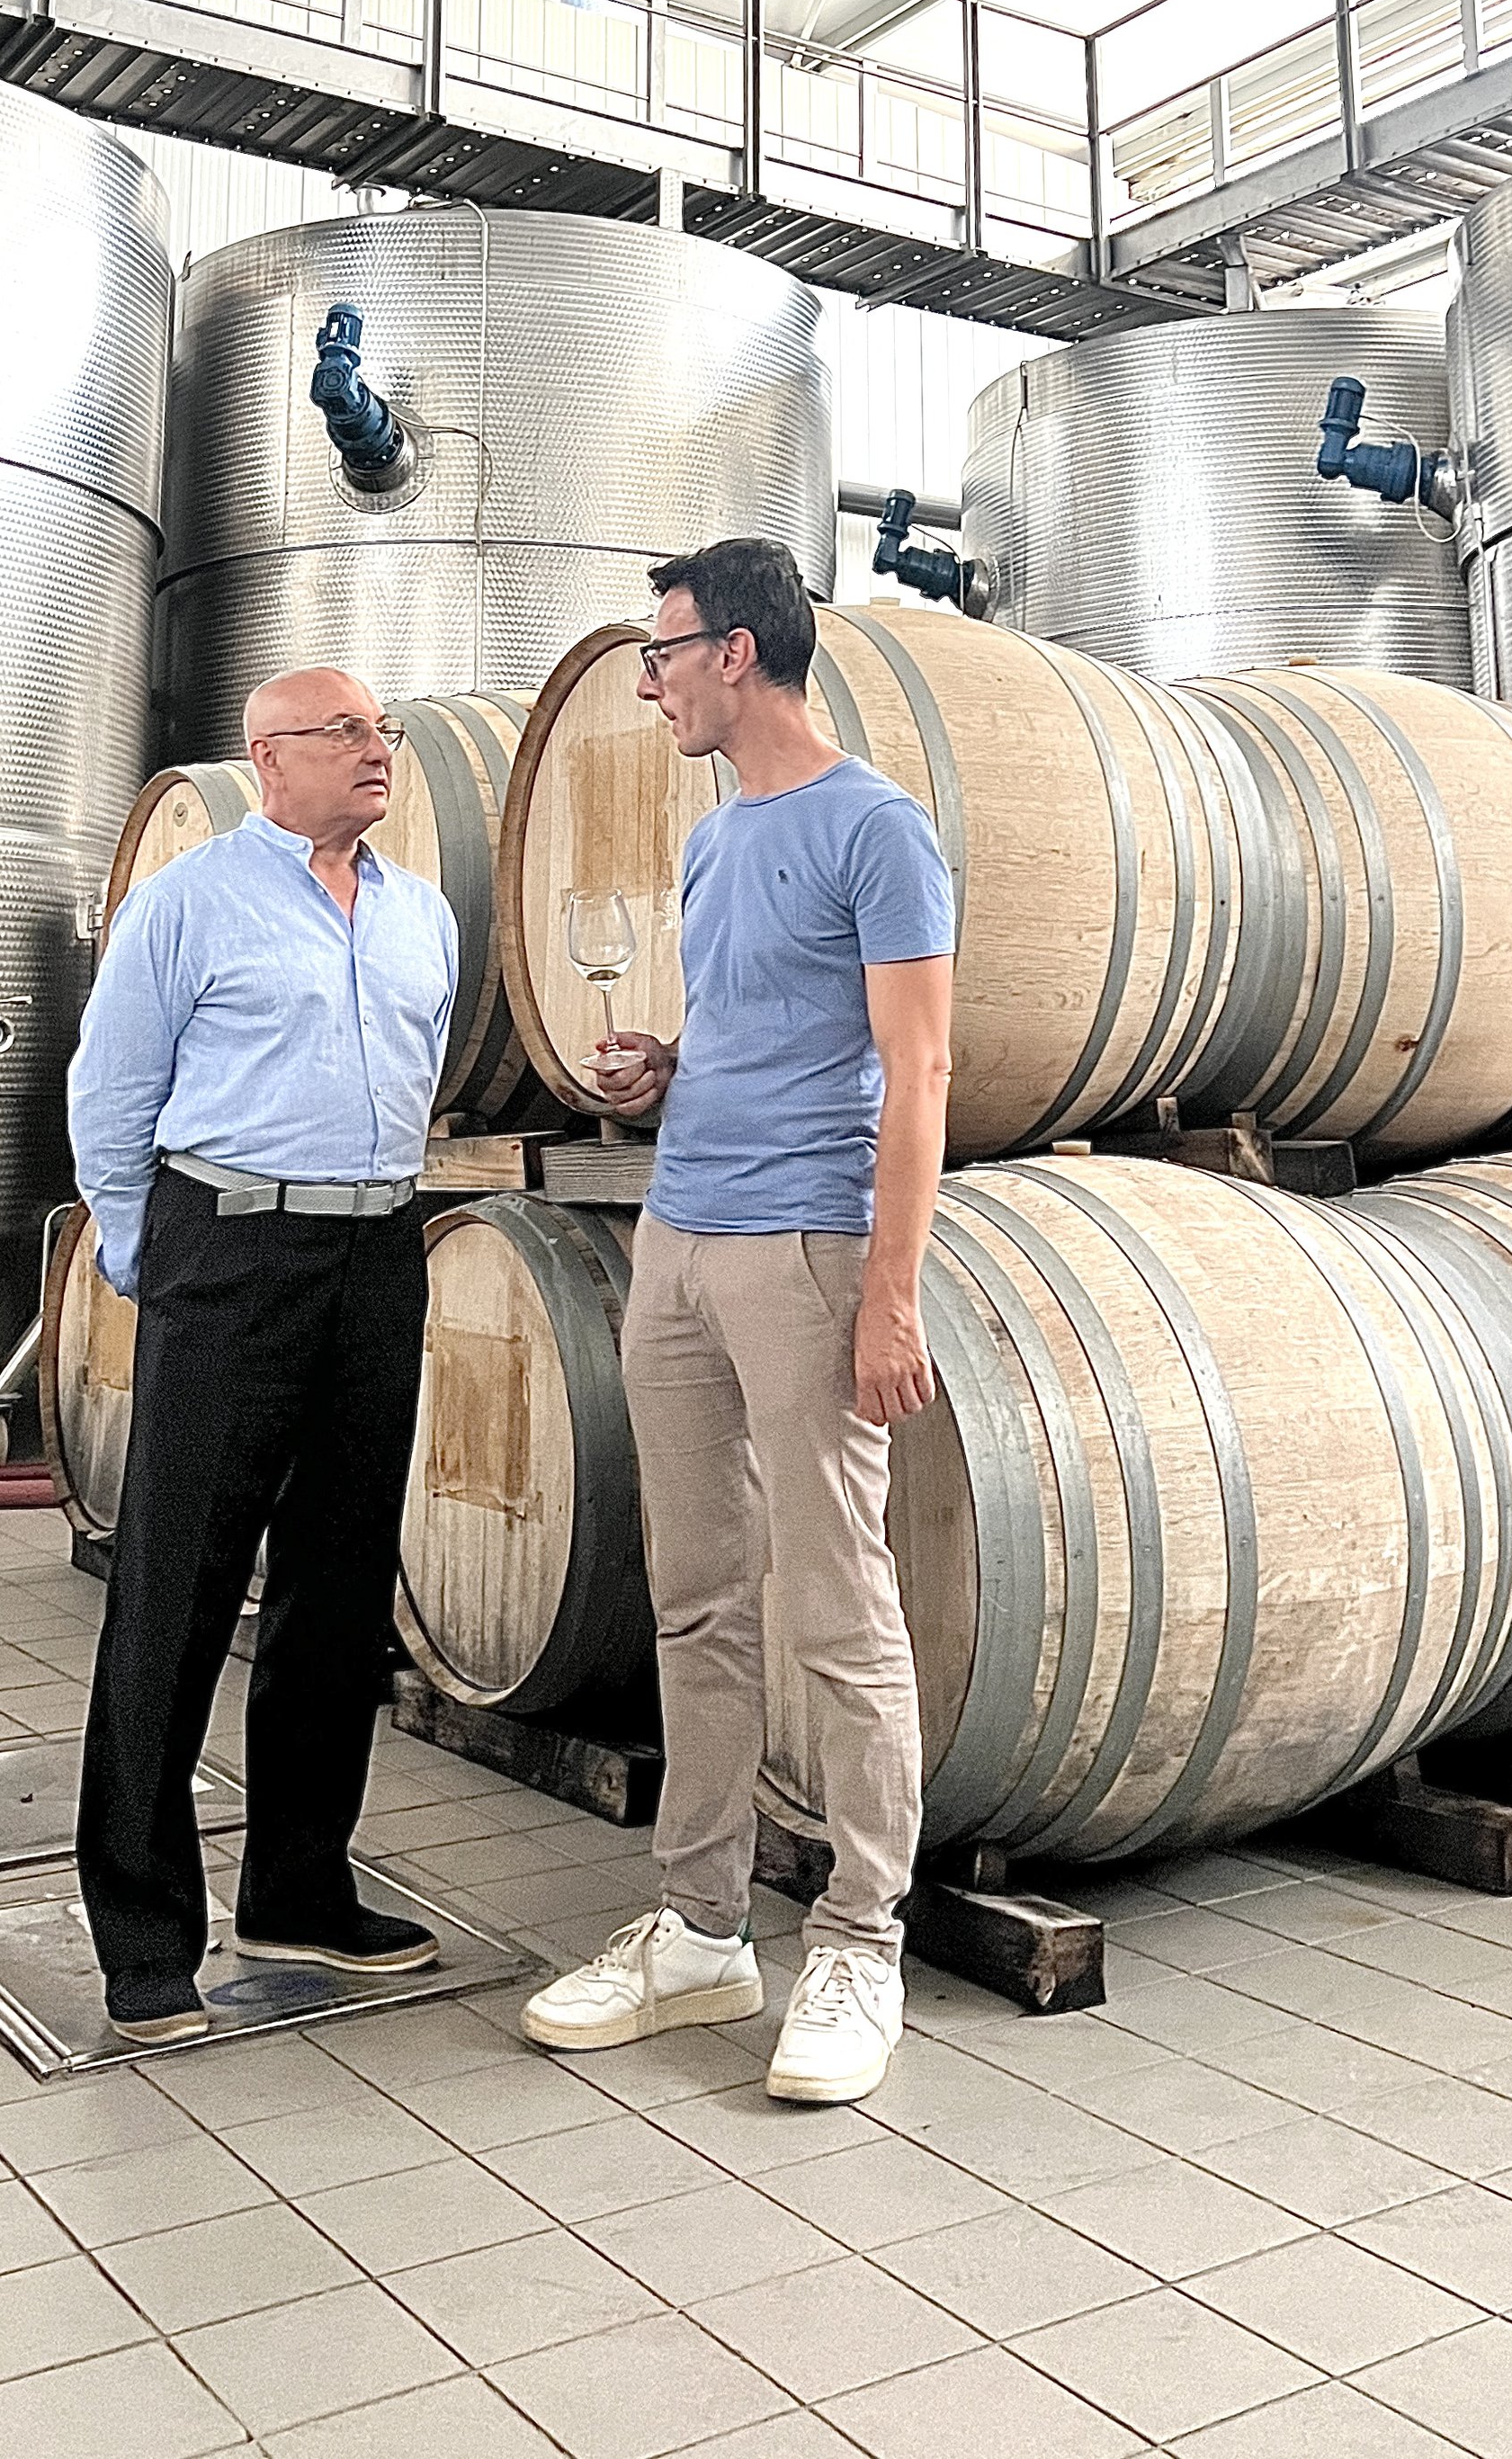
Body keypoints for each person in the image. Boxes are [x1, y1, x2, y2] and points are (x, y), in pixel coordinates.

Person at [523, 538, 954, 2104]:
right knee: (696, 1595)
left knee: (836, 1606)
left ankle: (861, 1933)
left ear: (744, 651)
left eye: (666, 650)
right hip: (682, 1235)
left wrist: (890, 1291)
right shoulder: (715, 840)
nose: (648, 679)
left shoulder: (877, 830)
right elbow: (755, 1032)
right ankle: (704, 1925)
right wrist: (666, 1073)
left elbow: (917, 1073)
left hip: (805, 1245)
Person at [67, 666, 459, 2042]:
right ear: (266, 756)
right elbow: (108, 1089)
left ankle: (299, 1886)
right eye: (346, 729)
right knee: (176, 1589)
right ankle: (142, 1927)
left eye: (382, 729)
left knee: (339, 1590)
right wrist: (147, 1254)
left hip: (376, 1254)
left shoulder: (422, 914)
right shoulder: (187, 900)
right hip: (226, 1248)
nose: (376, 748)